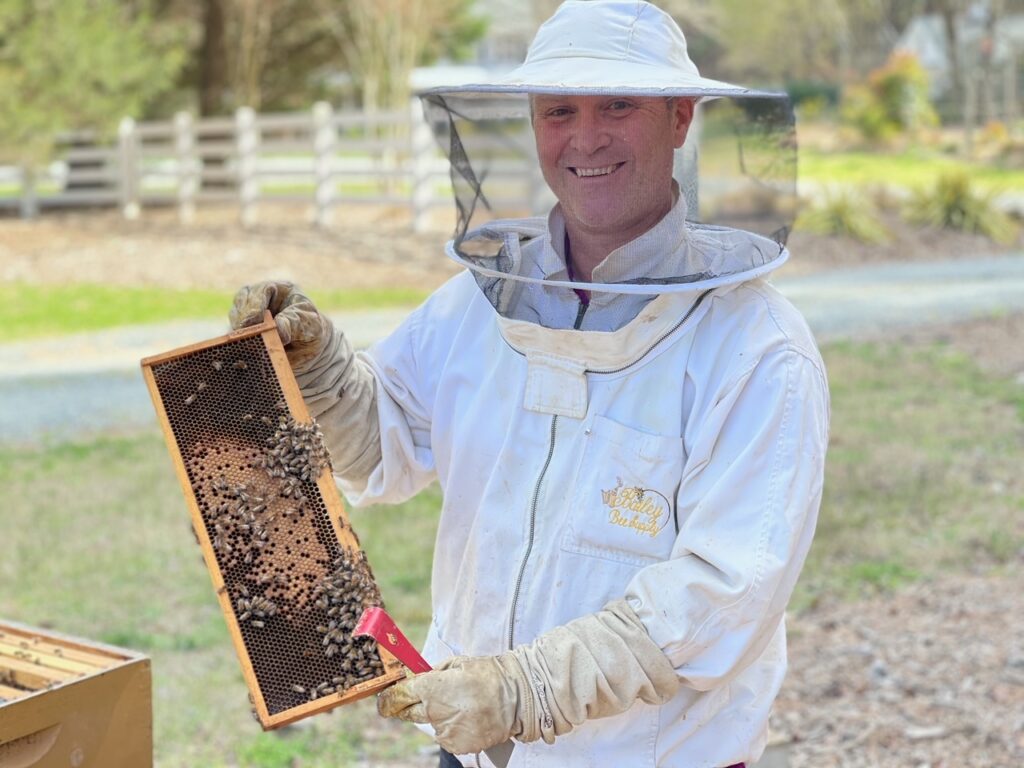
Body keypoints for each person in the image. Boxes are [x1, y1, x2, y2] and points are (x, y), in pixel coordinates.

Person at [230, 1, 829, 766]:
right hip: (468, 748)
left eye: (619, 104)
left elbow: (723, 597)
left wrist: (520, 692)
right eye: (559, 110)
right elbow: (383, 449)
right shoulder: (474, 304)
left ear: (680, 118)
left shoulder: (757, 349)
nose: (585, 137)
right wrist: (318, 367)